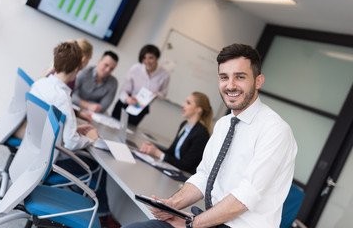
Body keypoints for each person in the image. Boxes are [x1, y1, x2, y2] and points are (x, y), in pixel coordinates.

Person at [122, 43, 298, 228]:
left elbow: (243, 199)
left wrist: (192, 224)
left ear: (258, 81)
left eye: (240, 77)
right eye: (224, 77)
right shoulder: (223, 125)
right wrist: (172, 205)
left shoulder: (275, 131)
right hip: (208, 221)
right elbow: (204, 176)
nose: (230, 85)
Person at [30, 42, 118, 228]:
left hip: (34, 152)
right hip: (54, 160)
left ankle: (97, 210)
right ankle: (94, 211)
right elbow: (71, 143)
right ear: (78, 68)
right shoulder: (62, 97)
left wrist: (72, 129)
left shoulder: (40, 83)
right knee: (97, 166)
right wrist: (90, 138)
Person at [139, 92, 212, 174]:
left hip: (185, 176)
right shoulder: (184, 125)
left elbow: (185, 165)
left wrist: (157, 153)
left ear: (198, 109)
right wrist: (153, 148)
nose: (183, 105)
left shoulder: (201, 134)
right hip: (175, 171)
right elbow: (171, 152)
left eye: (188, 103)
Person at [111, 44, 170, 126]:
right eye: (144, 58)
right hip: (125, 104)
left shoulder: (165, 74)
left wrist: (157, 95)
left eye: (151, 58)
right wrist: (128, 99)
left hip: (141, 109)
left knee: (129, 132)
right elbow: (123, 91)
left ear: (157, 58)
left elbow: (163, 94)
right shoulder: (135, 68)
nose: (147, 61)